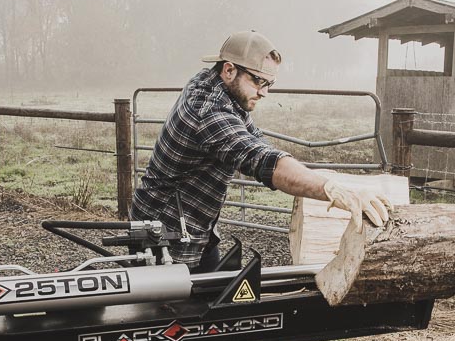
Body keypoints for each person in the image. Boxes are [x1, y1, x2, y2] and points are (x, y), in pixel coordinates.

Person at [130, 30, 391, 273]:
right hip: (165, 235)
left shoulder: (219, 86)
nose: (264, 92)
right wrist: (332, 190)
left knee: (211, 305)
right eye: (258, 81)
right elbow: (261, 160)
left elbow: (256, 141)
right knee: (172, 319)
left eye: (270, 83)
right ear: (229, 70)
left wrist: (316, 178)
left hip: (195, 229)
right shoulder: (208, 112)